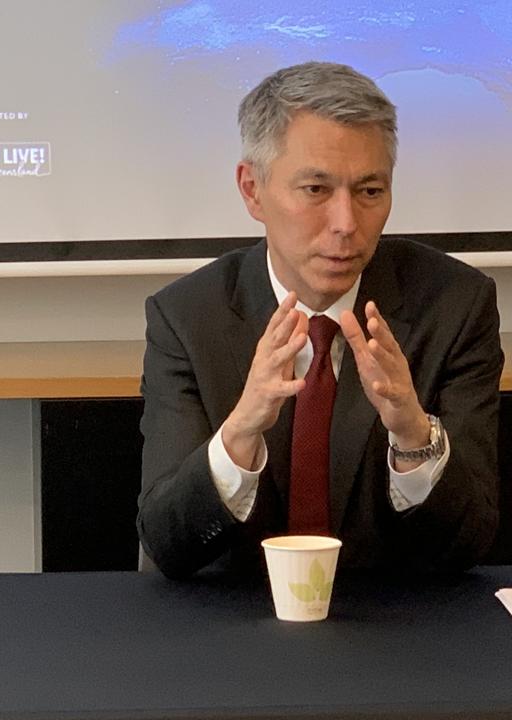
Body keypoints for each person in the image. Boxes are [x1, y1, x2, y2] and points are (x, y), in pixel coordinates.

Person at [137, 62, 501, 578]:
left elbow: (470, 543)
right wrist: (241, 432)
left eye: (370, 191)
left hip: (394, 624)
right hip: (234, 624)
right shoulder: (187, 317)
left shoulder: (454, 307)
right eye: (315, 190)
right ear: (252, 190)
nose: (346, 224)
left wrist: (413, 432)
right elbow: (168, 546)